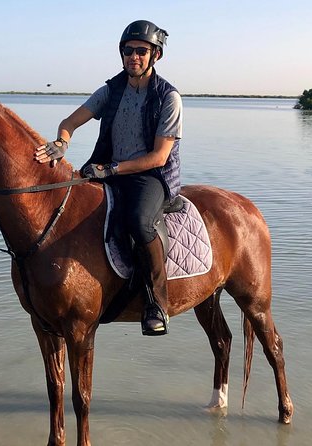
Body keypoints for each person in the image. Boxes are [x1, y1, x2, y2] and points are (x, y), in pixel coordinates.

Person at [34, 20, 183, 336]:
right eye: (128, 51)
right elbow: (69, 121)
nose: (134, 57)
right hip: (109, 170)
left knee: (139, 220)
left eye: (141, 51)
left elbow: (159, 156)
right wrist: (62, 142)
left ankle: (157, 303)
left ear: (156, 55)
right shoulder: (111, 91)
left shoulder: (168, 97)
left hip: (151, 176)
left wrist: (112, 169)